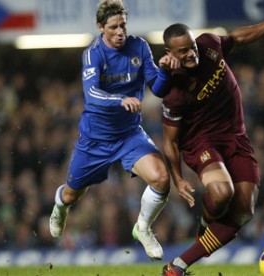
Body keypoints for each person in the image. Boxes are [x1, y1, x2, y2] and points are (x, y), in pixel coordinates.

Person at [159, 2, 264, 275]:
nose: (192, 53)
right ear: (170, 53)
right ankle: (206, 220)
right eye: (183, 51)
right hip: (202, 143)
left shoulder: (210, 44)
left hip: (236, 137)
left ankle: (176, 267)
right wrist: (177, 178)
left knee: (244, 210)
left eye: (192, 46)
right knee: (223, 193)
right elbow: (170, 141)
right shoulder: (175, 92)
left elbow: (238, 37)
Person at [49, 0, 178, 261]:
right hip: (95, 139)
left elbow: (158, 88)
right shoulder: (93, 54)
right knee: (73, 194)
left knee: (162, 178)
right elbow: (92, 94)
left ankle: (143, 228)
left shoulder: (139, 47)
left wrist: (165, 71)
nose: (120, 32)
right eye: (113, 27)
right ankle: (60, 206)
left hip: (129, 135)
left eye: (123, 25)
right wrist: (120, 100)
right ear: (100, 28)